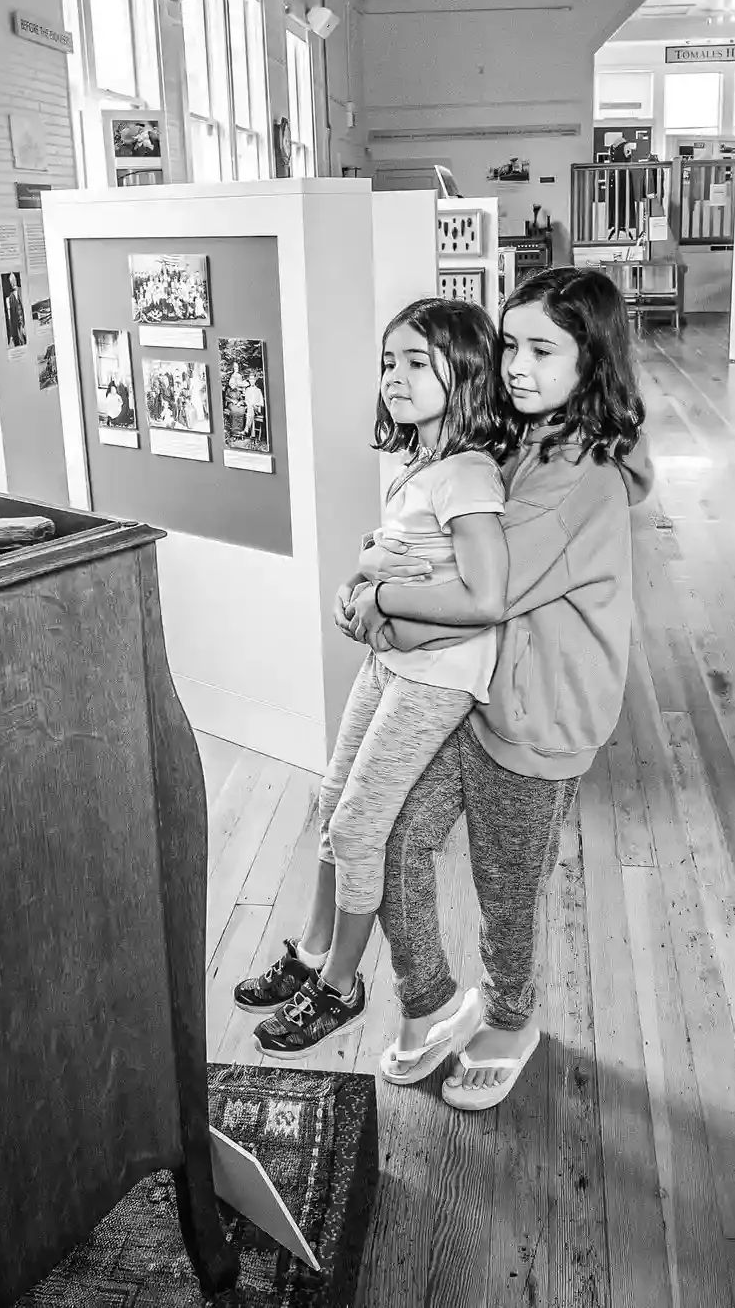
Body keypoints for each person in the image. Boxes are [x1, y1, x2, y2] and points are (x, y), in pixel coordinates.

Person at [347, 269, 652, 1111]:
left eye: (543, 348)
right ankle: (434, 999)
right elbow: (444, 555)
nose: (516, 364)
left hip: (538, 716)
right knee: (400, 839)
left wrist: (379, 605)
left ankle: (512, 1018)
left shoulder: (577, 479)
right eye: (511, 343)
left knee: (503, 884)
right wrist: (388, 568)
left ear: (593, 361)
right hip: (477, 693)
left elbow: (485, 592)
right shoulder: (520, 443)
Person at [234, 298, 518, 1057]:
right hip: (389, 660)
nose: (395, 376)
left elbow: (486, 598)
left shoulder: (464, 474)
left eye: (417, 362)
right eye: (389, 361)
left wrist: (380, 596)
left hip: (435, 678)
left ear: (466, 374)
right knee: (331, 800)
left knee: (359, 824)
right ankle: (311, 949)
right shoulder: (418, 464)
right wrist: (355, 585)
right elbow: (388, 552)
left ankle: (341, 984)